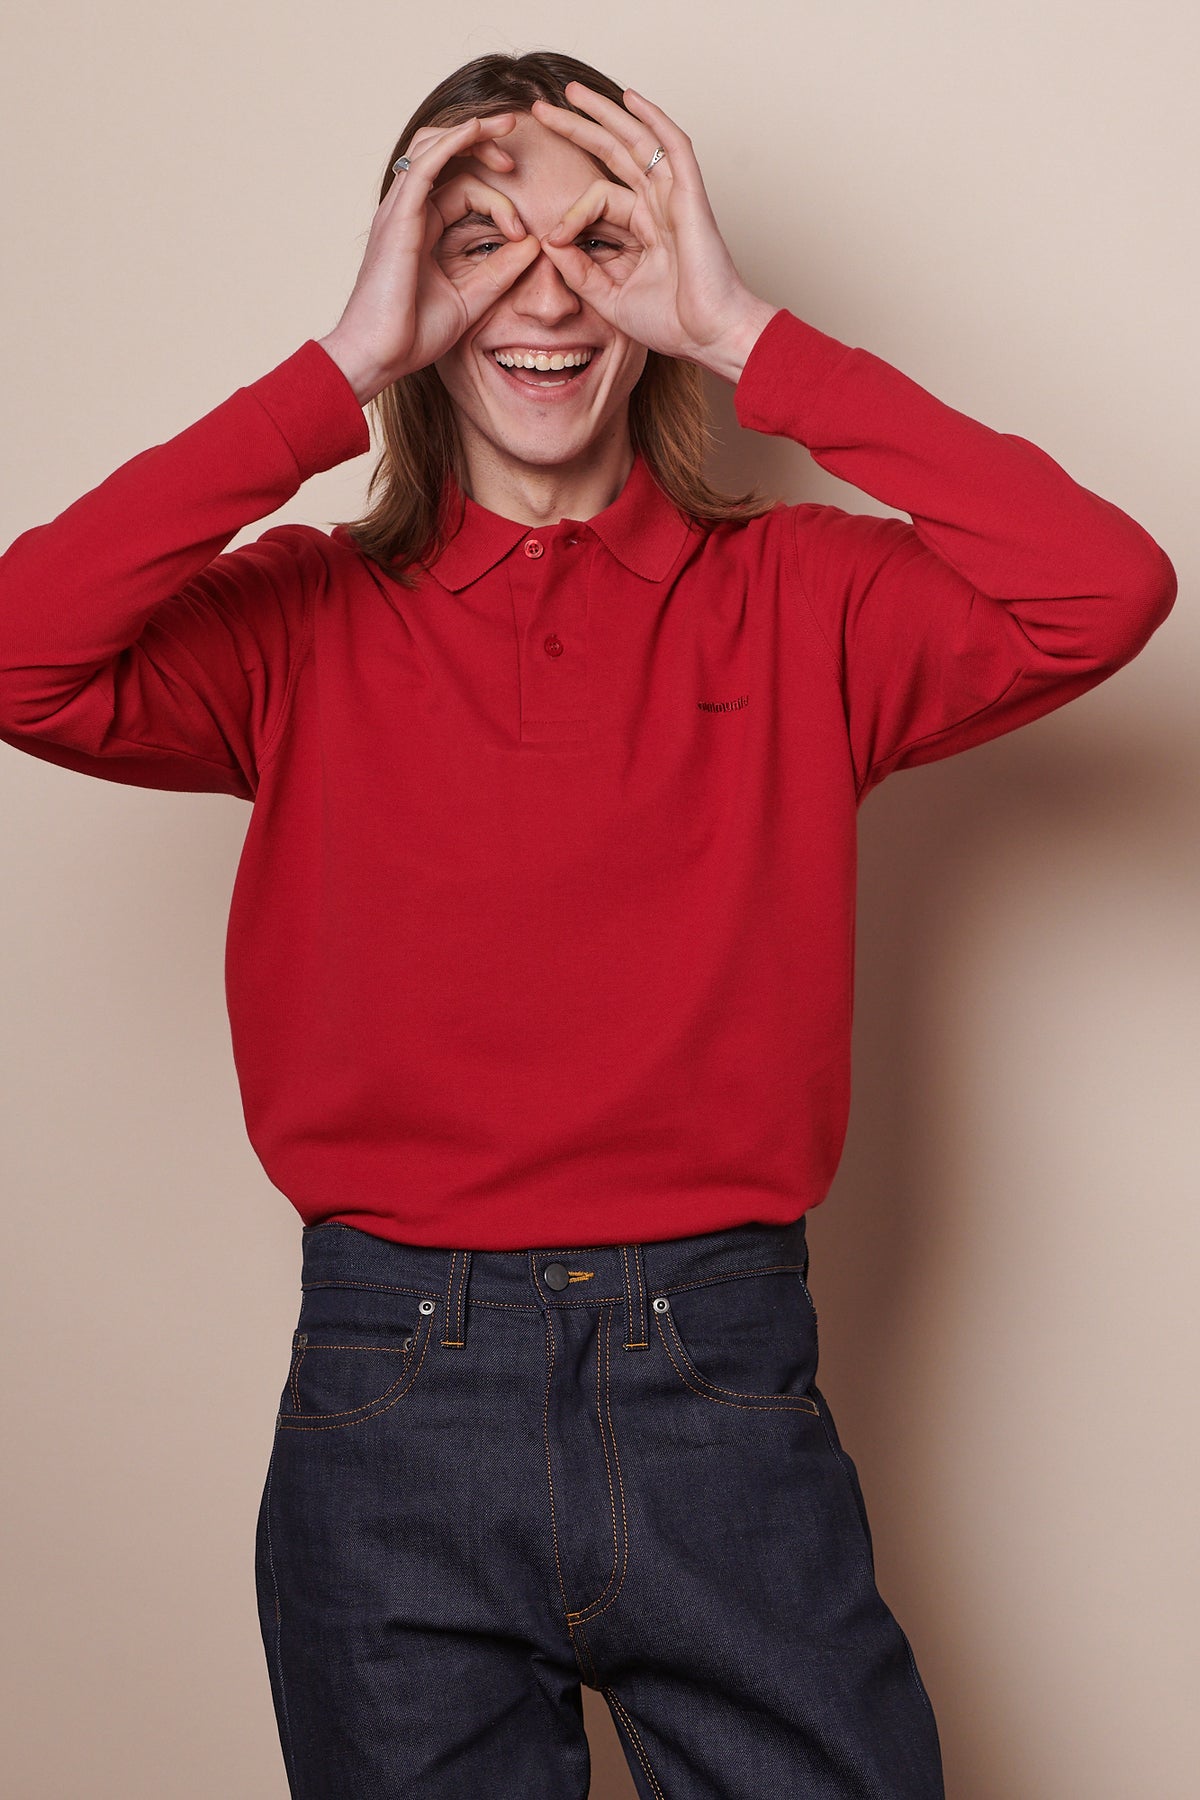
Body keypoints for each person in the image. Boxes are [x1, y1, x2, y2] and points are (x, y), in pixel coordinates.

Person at [0, 45, 1176, 1800]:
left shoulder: (804, 599)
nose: (543, 298)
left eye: (602, 242)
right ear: (406, 285)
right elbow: (27, 646)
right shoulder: (299, 623)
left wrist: (752, 334)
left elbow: (1108, 584)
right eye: (475, 245)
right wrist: (333, 372)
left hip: (721, 1373)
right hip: (390, 1387)